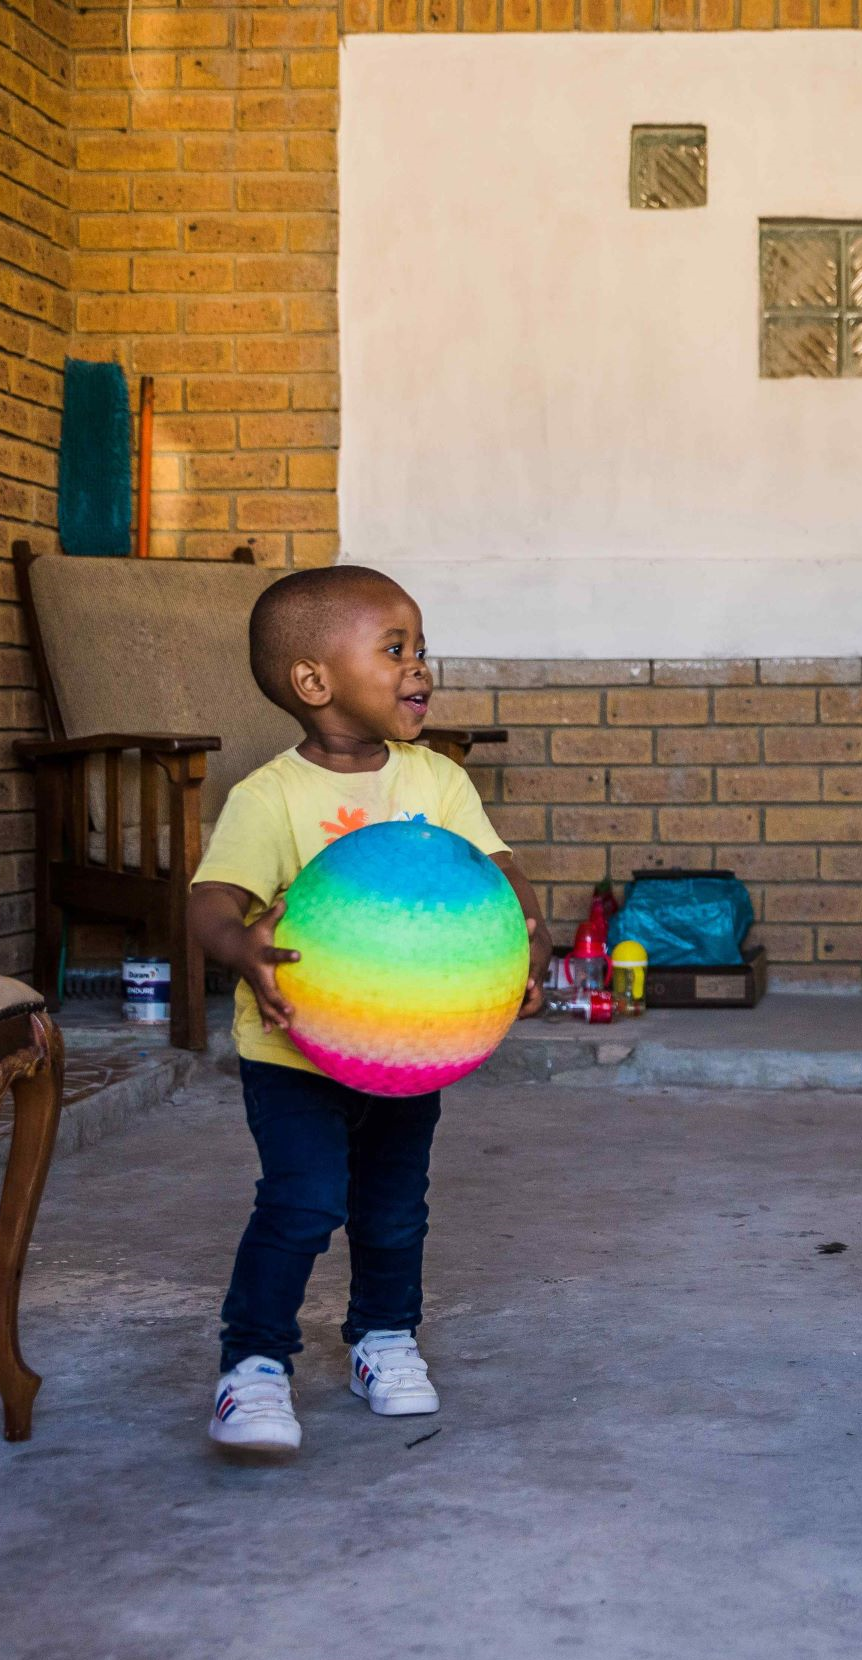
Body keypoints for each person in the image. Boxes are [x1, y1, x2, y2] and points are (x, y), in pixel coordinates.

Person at [187, 564, 550, 1454]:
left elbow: (499, 878)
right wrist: (243, 947)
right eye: (395, 650)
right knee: (303, 1204)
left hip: (407, 1052)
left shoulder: (438, 784)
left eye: (422, 648)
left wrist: (522, 948)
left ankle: (384, 1339)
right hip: (293, 1058)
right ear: (315, 681)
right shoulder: (269, 797)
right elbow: (210, 901)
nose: (420, 666)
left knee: (395, 1208)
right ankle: (254, 1366)